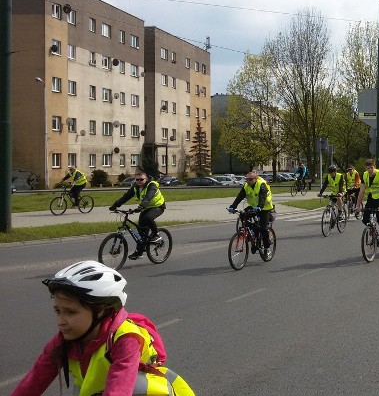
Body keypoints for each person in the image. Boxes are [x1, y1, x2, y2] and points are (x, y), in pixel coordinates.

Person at [13, 261, 194, 396]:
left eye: (70, 312)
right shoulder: (64, 339)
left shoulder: (126, 339)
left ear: (100, 311)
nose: (60, 321)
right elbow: (35, 380)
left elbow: (119, 388)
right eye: (57, 311)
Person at [108, 170, 165, 260]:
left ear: (146, 179)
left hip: (158, 206)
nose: (139, 181)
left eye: (141, 179)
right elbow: (125, 197)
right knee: (140, 230)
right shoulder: (136, 187)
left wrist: (141, 206)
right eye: (137, 179)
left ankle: (156, 234)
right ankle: (139, 252)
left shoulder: (152, 185)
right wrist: (115, 205)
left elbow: (148, 196)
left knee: (148, 218)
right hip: (146, 208)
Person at [228, 171, 274, 250]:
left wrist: (260, 206)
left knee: (263, 228)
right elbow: (240, 196)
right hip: (253, 207)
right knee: (243, 215)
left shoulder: (261, 184)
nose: (248, 181)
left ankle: (266, 246)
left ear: (255, 179)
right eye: (246, 179)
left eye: (250, 179)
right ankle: (251, 234)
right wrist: (233, 206)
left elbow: (262, 197)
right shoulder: (246, 186)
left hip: (265, 208)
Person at [355, 159, 379, 254]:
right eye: (368, 168)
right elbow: (362, 191)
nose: (370, 170)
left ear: (374, 166)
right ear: (365, 168)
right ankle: (372, 229)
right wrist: (357, 206)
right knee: (365, 219)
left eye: (371, 167)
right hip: (371, 198)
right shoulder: (364, 175)